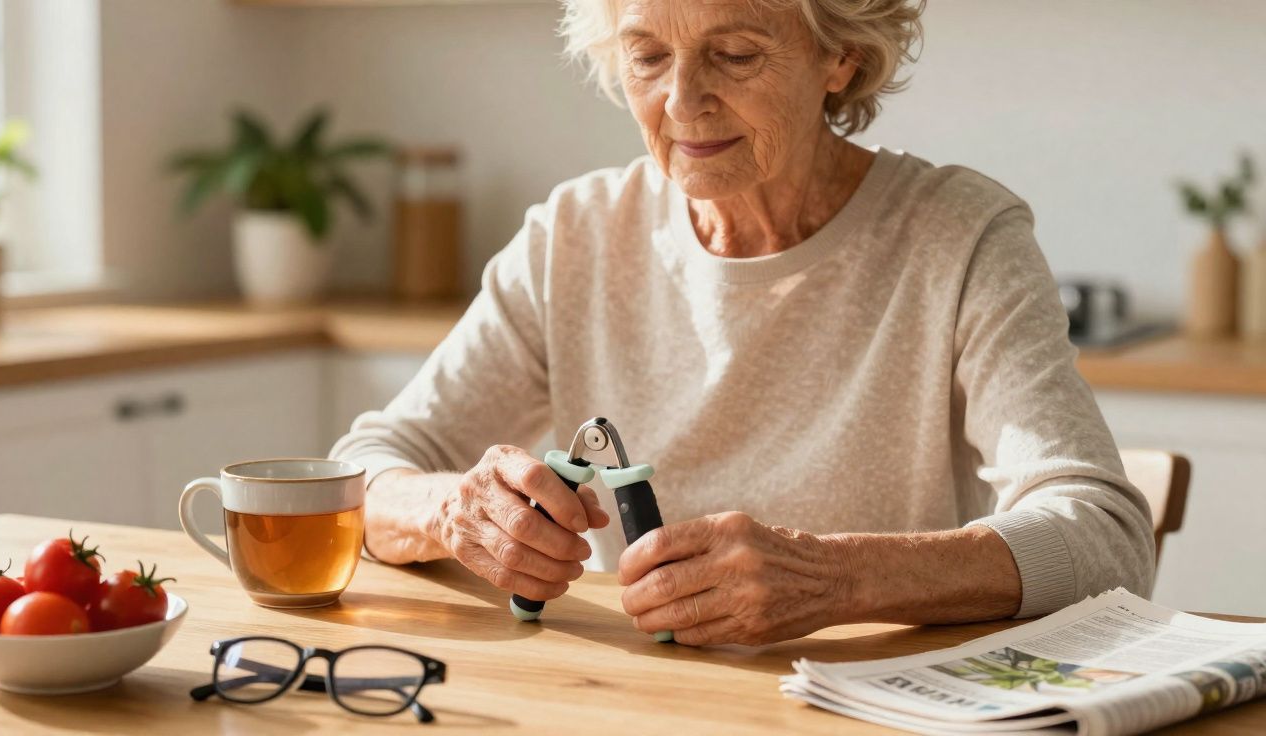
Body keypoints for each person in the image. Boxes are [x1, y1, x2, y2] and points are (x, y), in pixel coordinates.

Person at [330, 0, 1155, 646]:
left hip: (875, 706)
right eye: (647, 55)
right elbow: (361, 472)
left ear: (843, 57)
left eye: (735, 54)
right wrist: (452, 511)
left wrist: (838, 578)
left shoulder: (959, 236)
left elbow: (1106, 534)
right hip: (649, 701)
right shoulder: (574, 236)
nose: (681, 101)